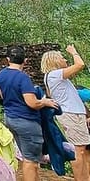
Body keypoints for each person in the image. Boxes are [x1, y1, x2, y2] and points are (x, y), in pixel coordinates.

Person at [0, 46, 58, 181]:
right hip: (26, 121)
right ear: (25, 60)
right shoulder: (23, 78)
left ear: (8, 59)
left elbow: (2, 95)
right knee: (30, 161)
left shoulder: (2, 74)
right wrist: (45, 102)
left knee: (28, 156)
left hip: (10, 118)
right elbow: (32, 103)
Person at [41, 44, 90, 181]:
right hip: (71, 115)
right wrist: (73, 52)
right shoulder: (54, 75)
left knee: (81, 149)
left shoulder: (54, 77)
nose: (66, 60)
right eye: (63, 57)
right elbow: (80, 65)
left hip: (73, 114)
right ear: (55, 60)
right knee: (77, 151)